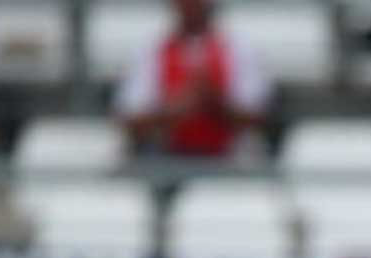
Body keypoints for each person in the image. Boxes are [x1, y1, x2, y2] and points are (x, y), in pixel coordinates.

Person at [115, 0, 272, 159]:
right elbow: (129, 119)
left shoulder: (239, 48)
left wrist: (214, 102)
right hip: (167, 159)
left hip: (228, 159)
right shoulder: (151, 49)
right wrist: (172, 109)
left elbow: (259, 117)